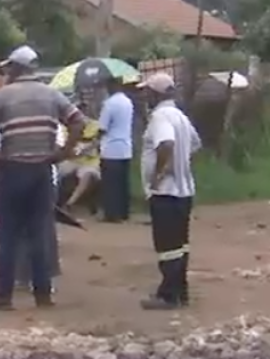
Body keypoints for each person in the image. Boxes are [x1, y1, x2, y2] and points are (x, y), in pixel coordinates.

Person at [0, 45, 84, 311]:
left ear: (16, 69)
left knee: (9, 235)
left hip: (11, 169)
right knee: (40, 233)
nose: (7, 73)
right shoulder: (51, 95)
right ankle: (43, 295)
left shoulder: (3, 96)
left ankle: (3, 296)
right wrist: (62, 152)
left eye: (9, 68)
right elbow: (77, 121)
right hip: (42, 170)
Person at [138, 72, 201, 310]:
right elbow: (195, 144)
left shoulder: (160, 117)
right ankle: (179, 291)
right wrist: (181, 163)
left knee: (167, 247)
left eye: (147, 92)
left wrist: (158, 173)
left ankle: (168, 295)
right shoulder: (180, 116)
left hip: (166, 192)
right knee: (180, 245)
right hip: (184, 191)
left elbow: (166, 143)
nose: (145, 97)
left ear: (156, 94)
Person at [98, 76, 134, 222]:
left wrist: (94, 139)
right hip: (125, 147)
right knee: (123, 182)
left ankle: (112, 213)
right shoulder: (128, 102)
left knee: (111, 183)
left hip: (111, 148)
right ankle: (124, 212)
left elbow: (103, 127)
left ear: (111, 86)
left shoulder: (109, 104)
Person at [57, 108, 102, 211]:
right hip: (71, 160)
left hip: (89, 161)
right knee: (56, 172)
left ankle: (69, 203)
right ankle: (55, 201)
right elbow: (64, 144)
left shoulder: (96, 126)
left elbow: (98, 142)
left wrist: (88, 148)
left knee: (87, 175)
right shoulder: (67, 127)